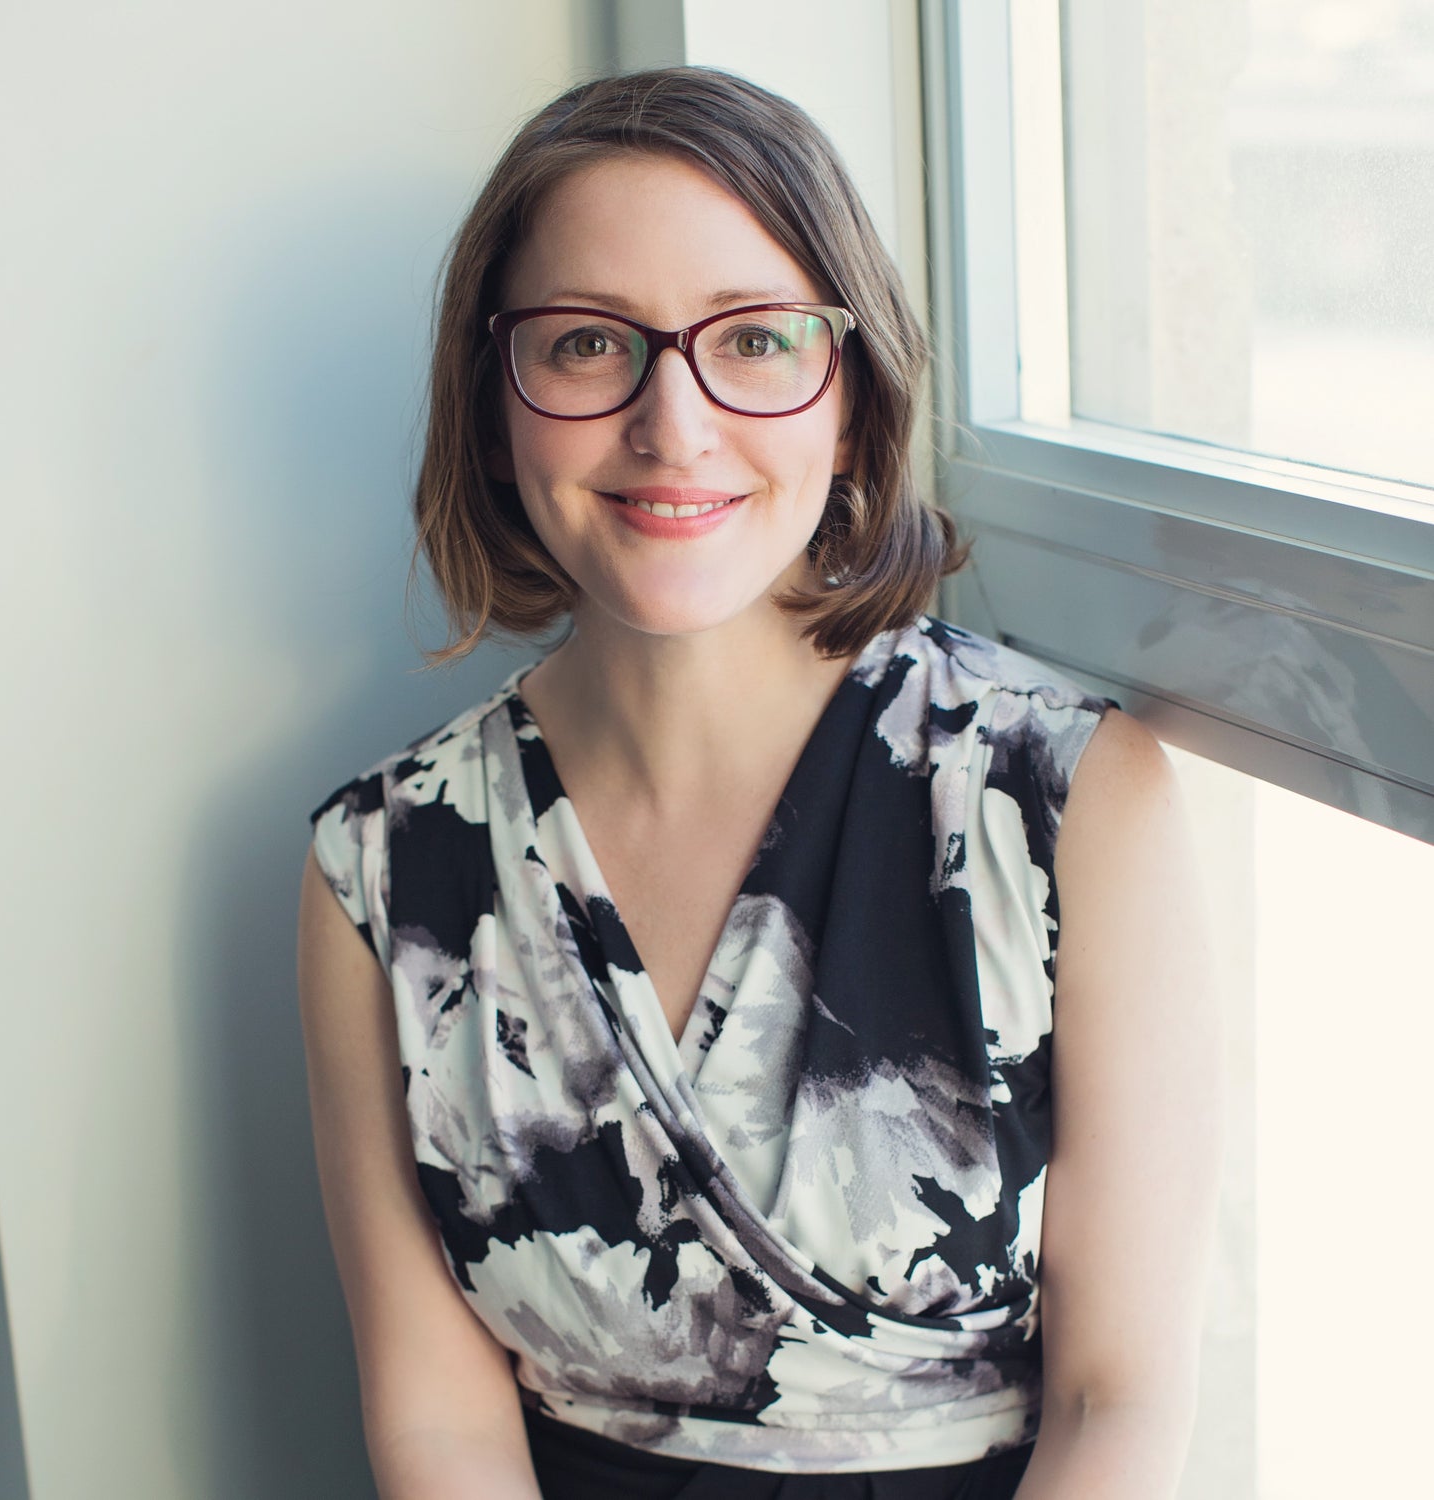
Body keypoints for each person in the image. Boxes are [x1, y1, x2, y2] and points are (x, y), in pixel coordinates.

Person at [296, 67, 1221, 1500]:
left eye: (758, 339)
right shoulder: (378, 863)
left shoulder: (1066, 797)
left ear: (848, 394)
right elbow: (437, 1424)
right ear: (495, 402)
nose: (675, 426)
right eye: (592, 344)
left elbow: (1121, 1404)